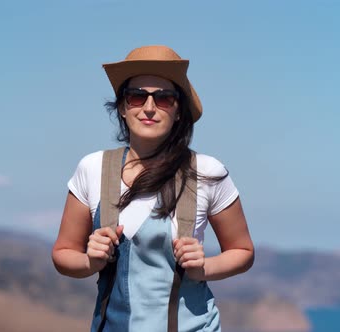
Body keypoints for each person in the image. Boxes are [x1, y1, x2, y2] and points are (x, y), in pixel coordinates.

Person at [52, 45, 254, 332]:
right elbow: (62, 253)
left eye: (164, 98)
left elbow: (243, 250)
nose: (149, 107)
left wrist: (204, 267)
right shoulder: (91, 168)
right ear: (122, 107)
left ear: (179, 111)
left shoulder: (207, 171)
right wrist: (90, 261)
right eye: (137, 96)